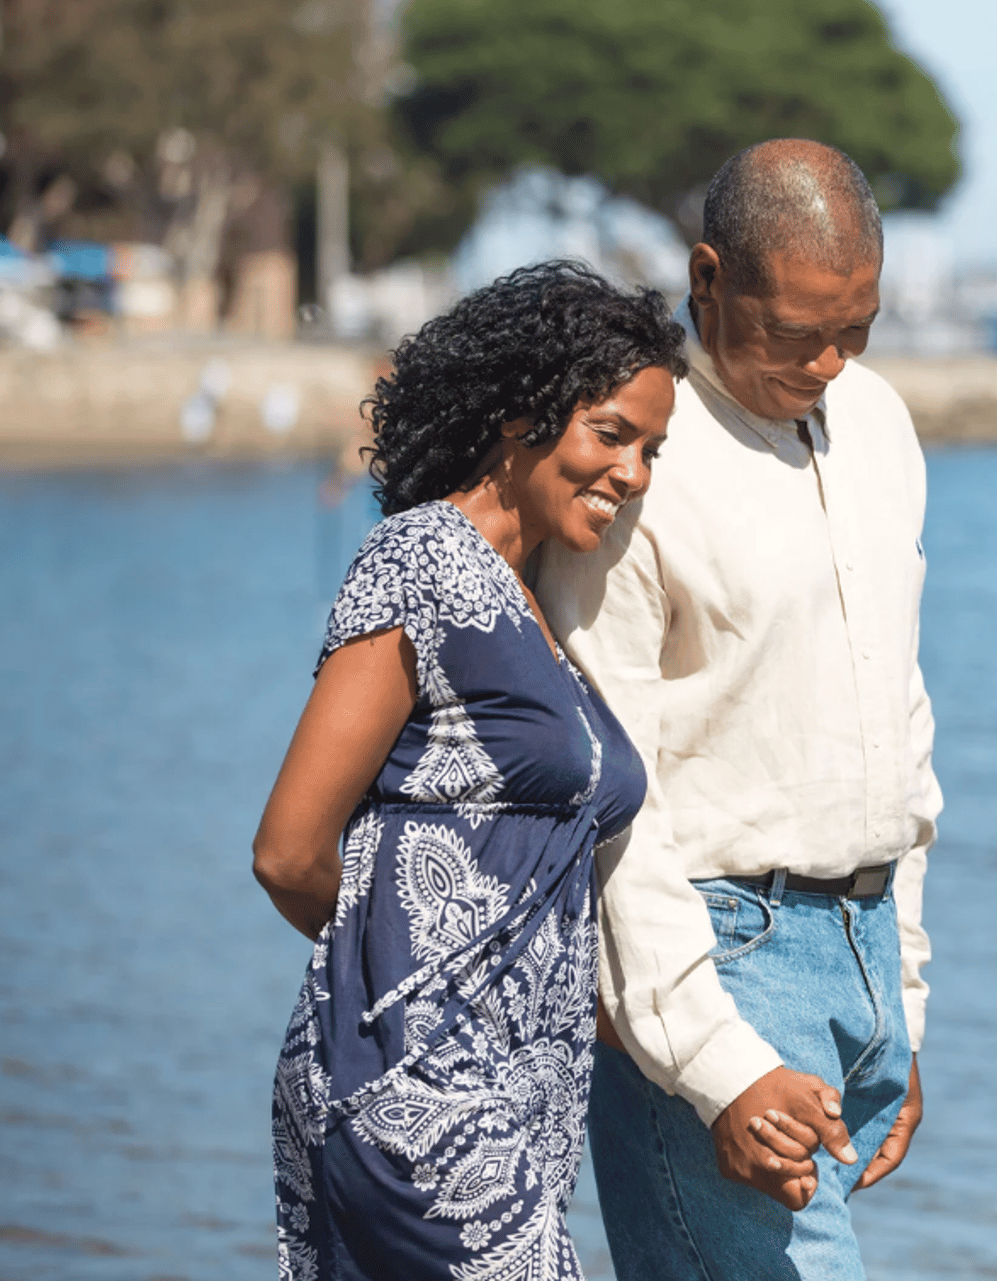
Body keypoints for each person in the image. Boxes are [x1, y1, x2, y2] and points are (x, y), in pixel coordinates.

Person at [252, 262, 822, 1279]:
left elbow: (528, 898)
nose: (634, 473)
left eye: (651, 449)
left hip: (518, 1103)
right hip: (416, 1087)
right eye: (611, 434)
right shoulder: (421, 561)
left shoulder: (538, 604)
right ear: (522, 417)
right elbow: (290, 852)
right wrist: (412, 977)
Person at [537, 139, 942, 1278]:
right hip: (717, 963)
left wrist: (900, 1006)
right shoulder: (633, 457)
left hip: (862, 953)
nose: (830, 362)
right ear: (707, 279)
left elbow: (899, 724)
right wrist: (715, 1065)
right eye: (797, 332)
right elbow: (610, 788)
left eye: (857, 327)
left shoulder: (879, 423)